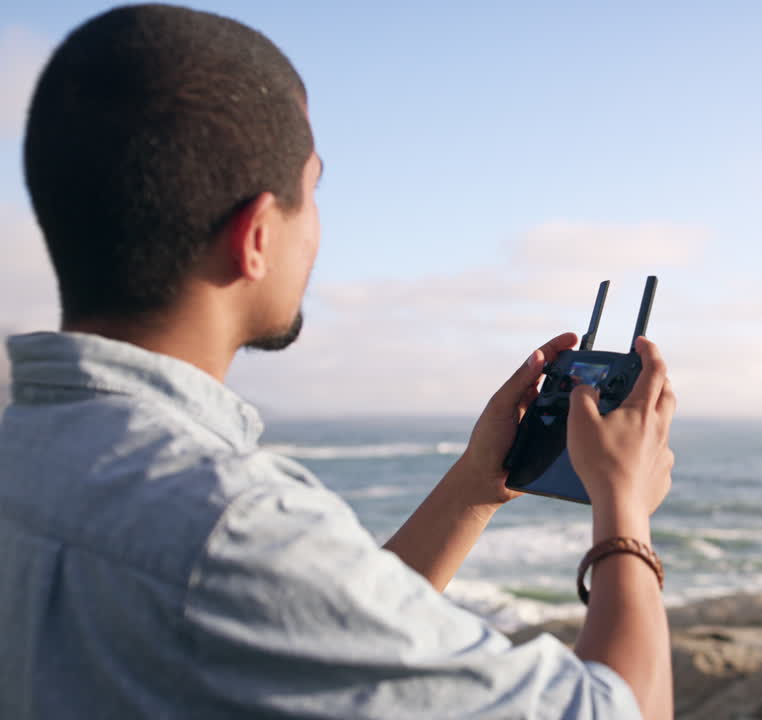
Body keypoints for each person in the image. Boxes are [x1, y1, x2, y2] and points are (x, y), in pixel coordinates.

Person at [0, 4, 676, 719]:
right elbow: (615, 710)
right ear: (255, 236)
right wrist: (624, 511)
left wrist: (475, 486)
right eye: (314, 188)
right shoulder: (230, 528)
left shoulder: (32, 457)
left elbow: (312, 632)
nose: (319, 224)